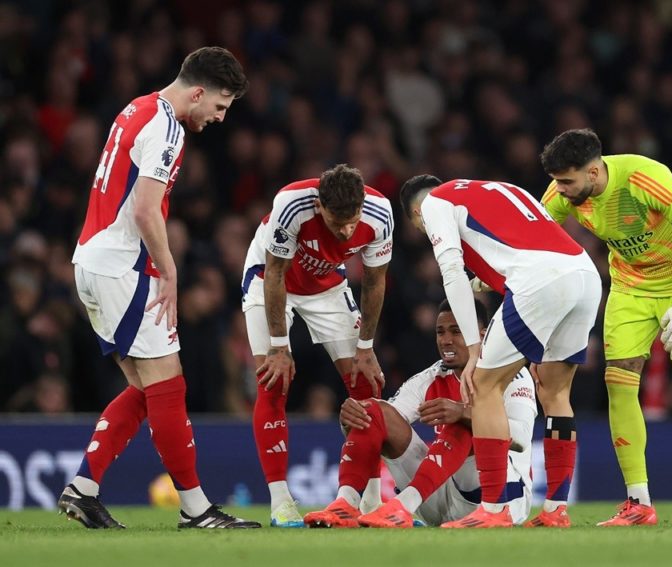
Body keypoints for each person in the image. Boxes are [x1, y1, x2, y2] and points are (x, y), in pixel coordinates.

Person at [60, 47, 260, 529]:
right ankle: (196, 510)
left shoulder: (135, 107)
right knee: (168, 385)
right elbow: (147, 208)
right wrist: (168, 269)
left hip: (92, 260)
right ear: (197, 92)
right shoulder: (167, 125)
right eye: (219, 106)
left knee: (145, 387)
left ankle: (83, 489)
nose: (219, 117)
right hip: (124, 267)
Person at [539, 128, 672, 526]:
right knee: (618, 384)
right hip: (629, 287)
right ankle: (638, 502)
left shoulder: (644, 177)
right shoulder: (562, 193)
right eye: (556, 182)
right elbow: (533, 236)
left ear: (593, 172)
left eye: (567, 182)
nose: (561, 191)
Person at [398, 175, 601, 528]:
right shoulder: (500, 189)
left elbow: (451, 273)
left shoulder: (434, 204)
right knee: (555, 391)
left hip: (539, 280)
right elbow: (519, 246)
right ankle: (555, 509)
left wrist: (475, 349)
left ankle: (493, 510)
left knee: (484, 384)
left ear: (417, 212)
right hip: (584, 272)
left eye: (420, 226)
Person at [241, 163, 393, 526]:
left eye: (351, 221)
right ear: (319, 205)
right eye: (335, 221)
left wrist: (366, 347)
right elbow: (275, 272)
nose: (345, 231)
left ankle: (371, 502)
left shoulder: (380, 212)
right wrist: (279, 346)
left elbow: (374, 282)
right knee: (273, 381)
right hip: (270, 281)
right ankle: (281, 503)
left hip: (327, 285)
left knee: (366, 385)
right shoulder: (292, 203)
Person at [303, 299, 536, 528]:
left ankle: (403, 505)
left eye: (457, 331)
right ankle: (346, 503)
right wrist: (353, 418)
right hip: (439, 501)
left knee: (466, 422)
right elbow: (379, 423)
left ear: (483, 335)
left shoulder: (512, 375)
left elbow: (522, 438)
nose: (446, 340)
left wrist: (464, 413)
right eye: (440, 332)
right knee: (373, 410)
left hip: (499, 500)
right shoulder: (431, 378)